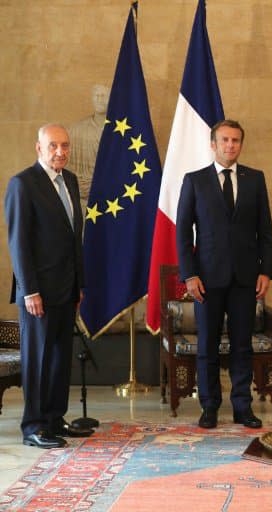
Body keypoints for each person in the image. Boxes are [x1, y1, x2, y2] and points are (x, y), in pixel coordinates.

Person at [176, 119, 272, 429]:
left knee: (242, 345)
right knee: (208, 345)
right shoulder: (195, 181)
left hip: (245, 278)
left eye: (236, 141)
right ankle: (209, 406)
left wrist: (266, 271)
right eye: (225, 140)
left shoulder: (255, 179)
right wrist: (189, 275)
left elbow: (265, 231)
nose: (231, 145)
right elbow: (182, 233)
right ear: (213, 143)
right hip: (207, 279)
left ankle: (243, 407)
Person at [4, 124, 91, 449]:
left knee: (59, 358)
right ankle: (34, 426)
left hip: (67, 289)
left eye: (65, 146)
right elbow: (19, 243)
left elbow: (73, 239)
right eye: (53, 146)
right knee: (38, 359)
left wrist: (79, 284)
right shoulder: (23, 184)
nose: (60, 152)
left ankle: (55, 418)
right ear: (39, 148)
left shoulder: (68, 181)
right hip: (37, 292)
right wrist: (30, 290)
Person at [68, 84, 109, 214]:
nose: (99, 99)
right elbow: (66, 168)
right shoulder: (75, 131)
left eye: (103, 96)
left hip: (112, 200)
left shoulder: (122, 134)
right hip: (83, 198)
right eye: (96, 95)